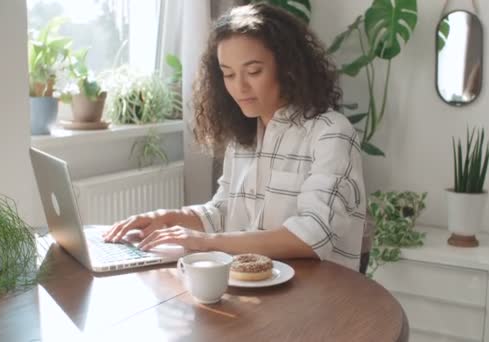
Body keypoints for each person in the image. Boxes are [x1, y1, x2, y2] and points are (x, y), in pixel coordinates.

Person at [104, 3, 367, 271]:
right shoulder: (244, 138)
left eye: (253, 72)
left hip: (320, 297)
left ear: (288, 68)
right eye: (228, 74)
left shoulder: (330, 133)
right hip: (253, 289)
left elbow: (313, 235)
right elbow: (223, 213)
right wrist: (166, 219)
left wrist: (206, 242)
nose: (239, 87)